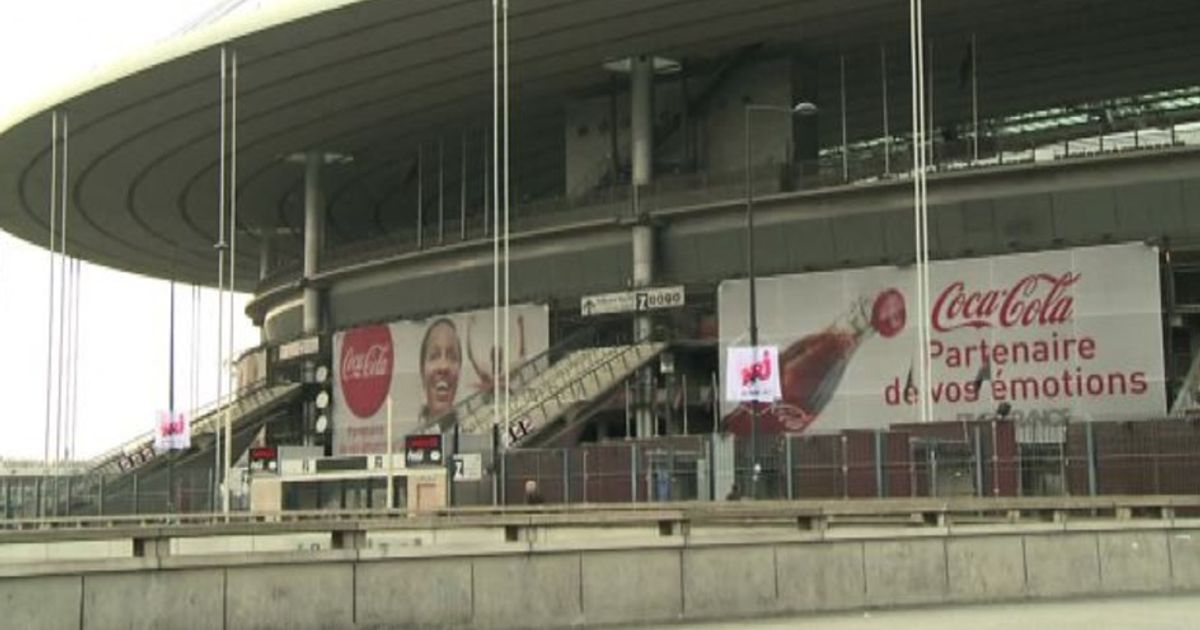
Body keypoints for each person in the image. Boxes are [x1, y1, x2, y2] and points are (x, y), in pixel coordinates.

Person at [418, 318, 462, 428]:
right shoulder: (406, 442)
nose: (443, 367)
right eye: (434, 356)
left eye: (452, 357)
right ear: (422, 370)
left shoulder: (472, 439)